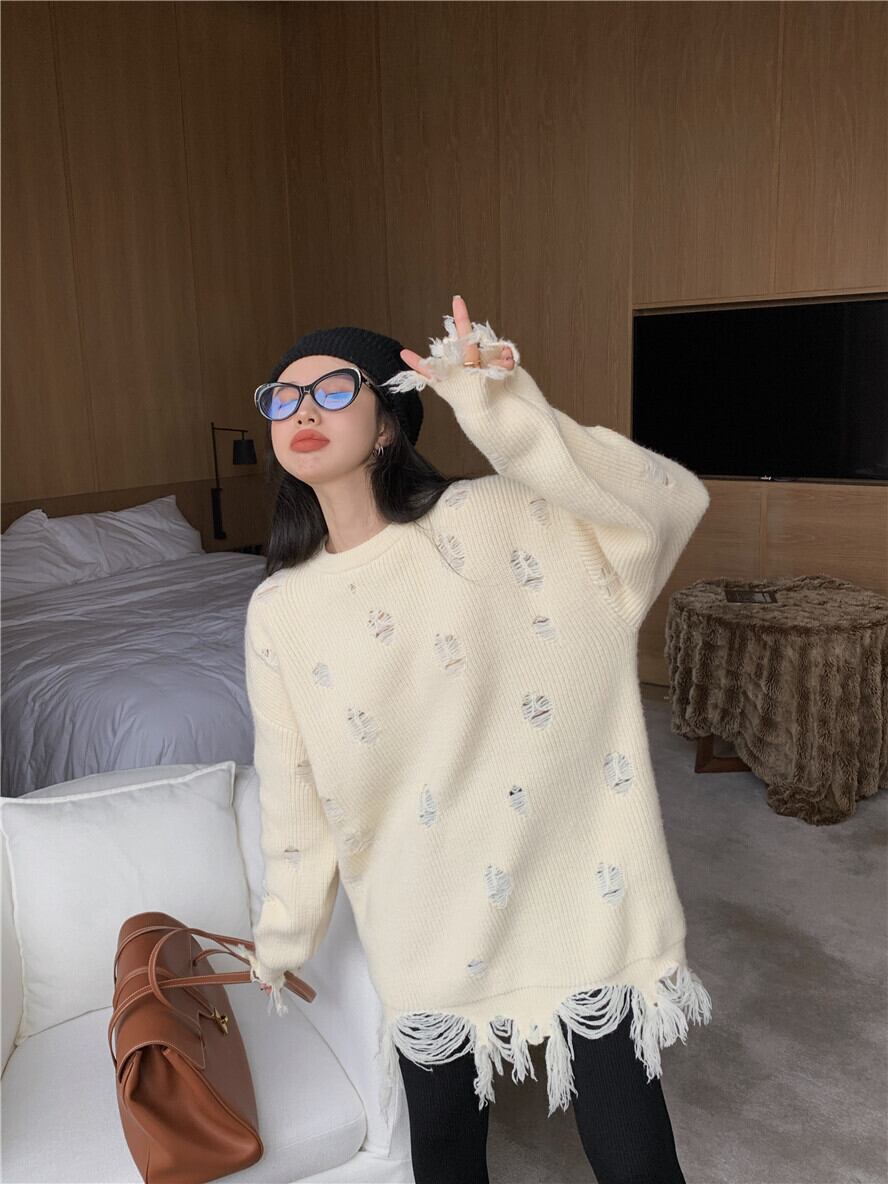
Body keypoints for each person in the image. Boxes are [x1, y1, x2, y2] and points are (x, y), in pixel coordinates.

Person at [237, 295, 712, 1183]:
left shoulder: (491, 518)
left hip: (576, 890)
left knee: (636, 1154)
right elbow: (291, 787)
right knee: (447, 1152)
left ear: (389, 422)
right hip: (420, 917)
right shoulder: (279, 610)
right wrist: (283, 937)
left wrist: (503, 411)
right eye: (282, 397)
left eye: (333, 390)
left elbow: (665, 503)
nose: (302, 410)